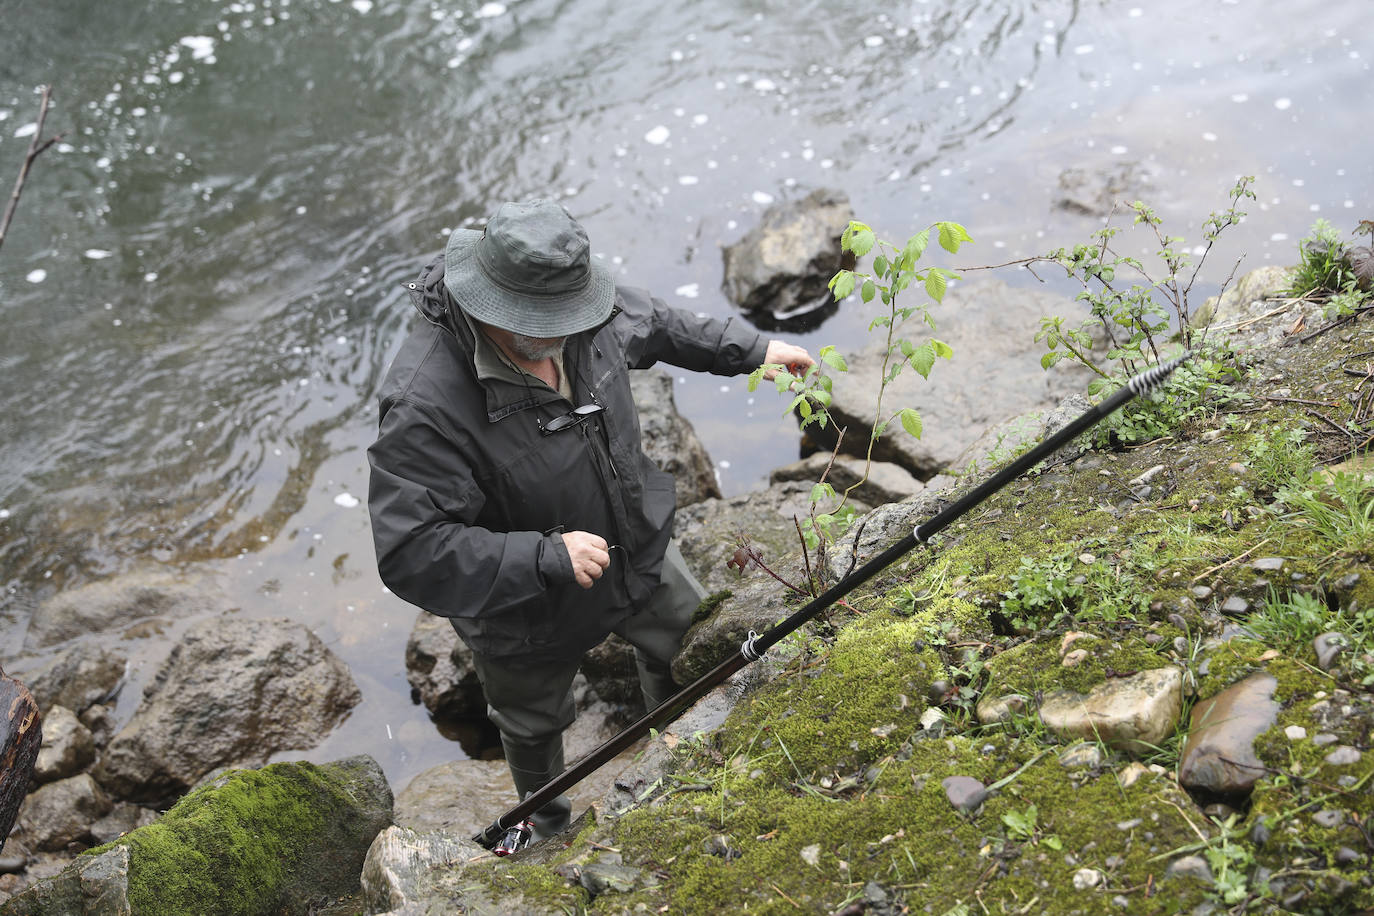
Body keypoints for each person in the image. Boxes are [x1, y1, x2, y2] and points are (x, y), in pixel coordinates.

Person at [367, 198, 814, 841]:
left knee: (685, 644)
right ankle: (547, 831)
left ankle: (678, 764)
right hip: (525, 607)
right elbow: (410, 549)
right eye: (544, 322)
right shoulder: (424, 406)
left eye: (571, 316)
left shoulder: (585, 315)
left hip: (633, 545)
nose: (567, 332)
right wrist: (543, 558)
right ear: (488, 304)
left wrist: (753, 350)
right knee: (533, 725)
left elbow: (657, 323)